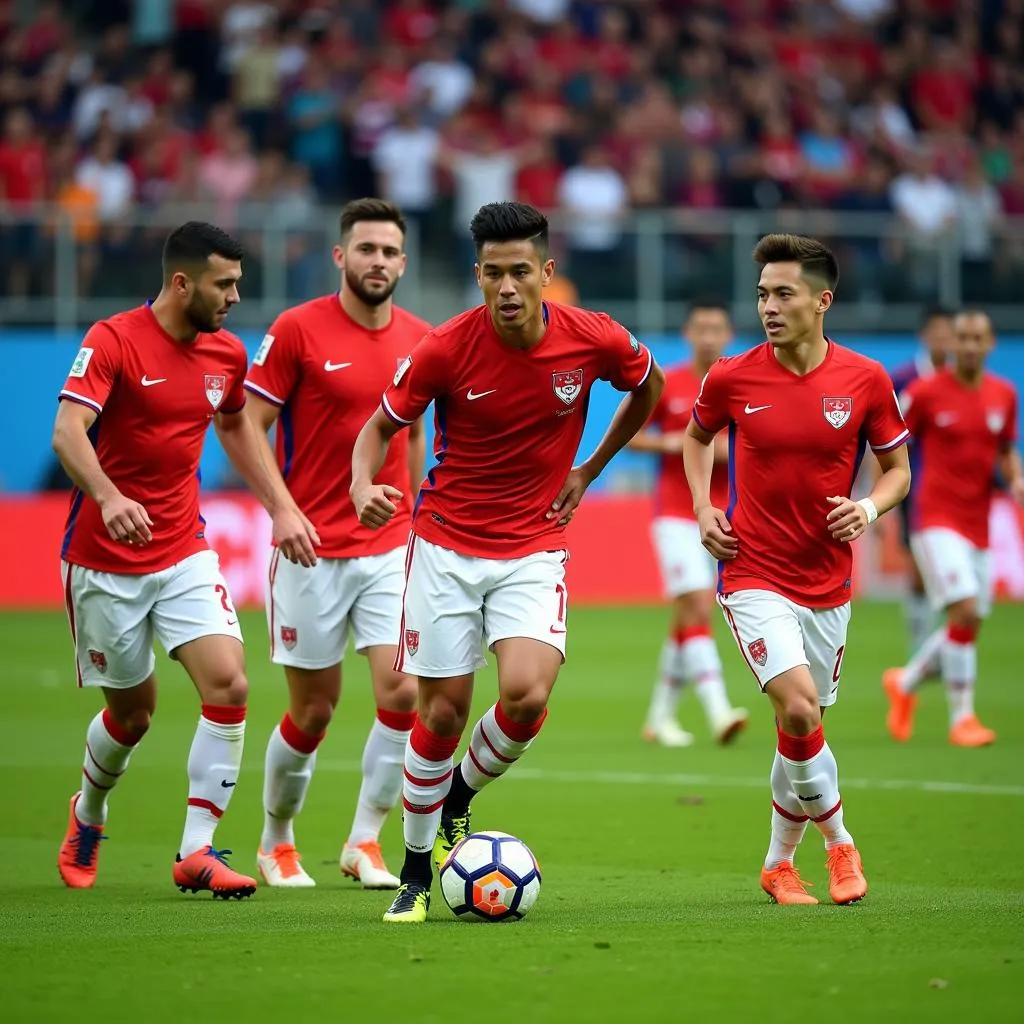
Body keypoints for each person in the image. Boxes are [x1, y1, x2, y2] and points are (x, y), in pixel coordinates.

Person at [350, 201, 665, 923]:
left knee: (525, 695)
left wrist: (590, 468)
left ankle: (460, 794)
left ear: (547, 273)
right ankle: (414, 869)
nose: (508, 287)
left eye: (521, 271)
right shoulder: (444, 347)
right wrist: (365, 483)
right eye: (493, 274)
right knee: (441, 711)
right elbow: (376, 431)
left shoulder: (594, 339)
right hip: (446, 548)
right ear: (478, 277)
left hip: (533, 546)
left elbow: (649, 388)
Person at [53, 221, 318, 897]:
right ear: (181, 282)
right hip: (104, 560)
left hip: (182, 548)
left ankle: (197, 849)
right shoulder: (111, 341)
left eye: (238, 282)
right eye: (223, 283)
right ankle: (88, 810)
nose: (235, 295)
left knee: (230, 683)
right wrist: (108, 496)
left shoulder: (226, 356)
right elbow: (67, 431)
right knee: (133, 715)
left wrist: (281, 506)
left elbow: (234, 425)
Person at [683, 234, 911, 906]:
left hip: (829, 583)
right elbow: (698, 438)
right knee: (799, 706)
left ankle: (778, 863)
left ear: (822, 301)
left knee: (802, 729)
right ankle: (841, 845)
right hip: (751, 570)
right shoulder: (731, 375)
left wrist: (868, 508)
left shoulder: (866, 380)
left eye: (783, 293)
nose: (768, 307)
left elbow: (898, 471)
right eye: (762, 294)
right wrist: (702, 508)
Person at [244, 198, 431, 889]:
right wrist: (283, 510)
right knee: (313, 709)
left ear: (403, 263)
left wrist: (414, 513)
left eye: (389, 252)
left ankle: (364, 841)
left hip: (388, 549)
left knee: (404, 693)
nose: (377, 261)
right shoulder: (297, 330)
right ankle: (277, 840)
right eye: (366, 249)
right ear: (340, 256)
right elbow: (248, 423)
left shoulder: (420, 337)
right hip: (309, 550)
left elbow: (411, 434)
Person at [883, 310, 1022, 747]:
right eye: (962, 337)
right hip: (935, 518)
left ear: (991, 343)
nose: (968, 346)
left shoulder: (1004, 394)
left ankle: (904, 682)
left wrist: (1015, 478)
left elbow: (1005, 449)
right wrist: (880, 499)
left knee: (969, 621)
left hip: (978, 521)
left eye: (977, 338)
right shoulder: (924, 392)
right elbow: (888, 442)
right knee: (963, 610)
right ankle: (962, 718)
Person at [628, 301, 749, 747]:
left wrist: (725, 452)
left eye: (716, 328)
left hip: (726, 514)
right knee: (699, 605)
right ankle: (719, 713)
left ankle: (659, 717)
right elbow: (633, 436)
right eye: (701, 328)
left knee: (687, 617)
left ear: (728, 334)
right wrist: (677, 444)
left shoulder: (739, 384)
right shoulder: (670, 382)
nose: (708, 336)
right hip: (676, 516)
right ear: (688, 333)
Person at [885, 306, 955, 663]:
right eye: (939, 332)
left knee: (955, 580)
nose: (946, 340)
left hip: (961, 494)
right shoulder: (903, 379)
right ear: (925, 335)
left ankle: (941, 650)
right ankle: (921, 648)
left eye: (950, 333)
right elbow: (884, 441)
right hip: (916, 489)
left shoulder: (968, 380)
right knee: (919, 572)